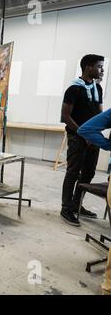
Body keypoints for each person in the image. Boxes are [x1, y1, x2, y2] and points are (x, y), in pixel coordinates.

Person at [60, 54, 105, 226]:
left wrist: (96, 135)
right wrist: (84, 134)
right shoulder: (74, 89)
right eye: (99, 67)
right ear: (88, 67)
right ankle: (66, 208)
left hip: (93, 138)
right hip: (77, 137)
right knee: (73, 172)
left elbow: (100, 115)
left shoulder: (97, 88)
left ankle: (76, 204)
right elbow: (65, 116)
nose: (102, 70)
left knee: (88, 173)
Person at [77, 109, 111, 294]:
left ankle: (108, 286)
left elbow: (86, 129)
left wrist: (108, 145)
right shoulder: (76, 89)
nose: (101, 77)